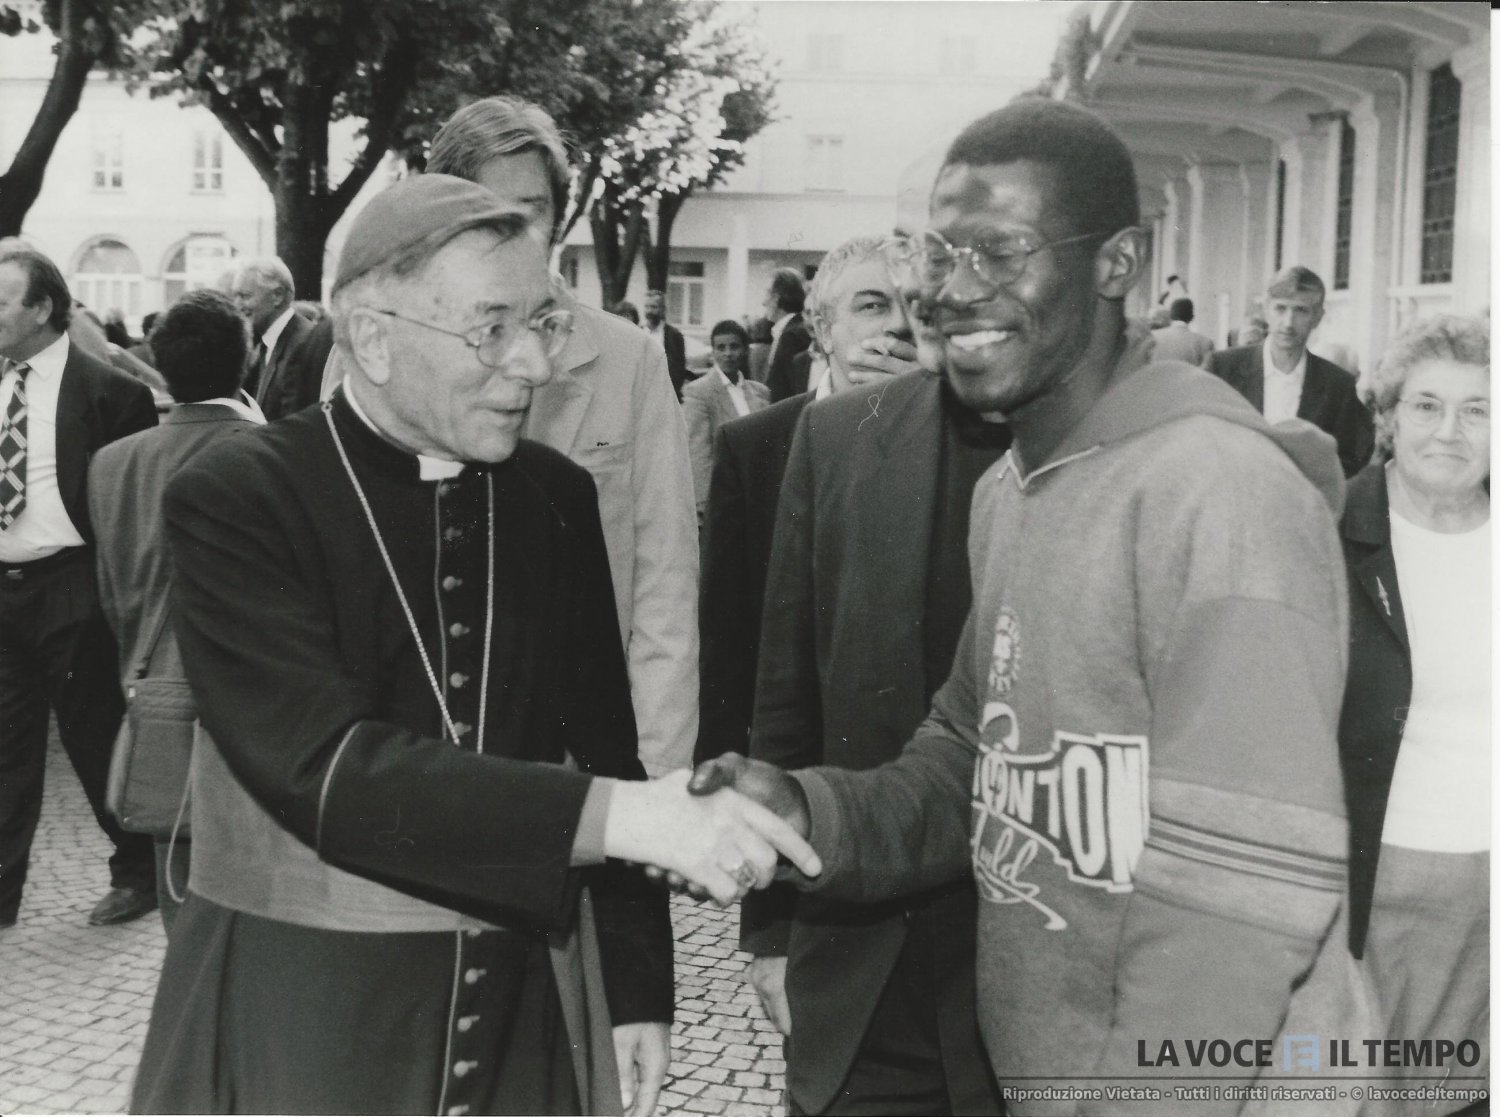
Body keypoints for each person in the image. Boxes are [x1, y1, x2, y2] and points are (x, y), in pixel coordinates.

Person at [692, 98, 1366, 1113]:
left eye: (1002, 252)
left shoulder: (1220, 492)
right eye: (939, 254)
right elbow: (969, 755)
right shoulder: (1014, 490)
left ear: (1118, 264)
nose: (954, 290)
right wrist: (811, 808)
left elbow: (1244, 898)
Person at [129, 174, 819, 1115]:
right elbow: (319, 763)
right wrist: (622, 818)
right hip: (306, 1007)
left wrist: (636, 986)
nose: (533, 364)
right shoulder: (238, 496)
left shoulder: (552, 496)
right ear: (374, 338)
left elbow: (604, 742)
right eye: (492, 329)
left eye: (542, 324)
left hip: (512, 1001)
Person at [738, 228, 1006, 1115]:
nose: (911, 319)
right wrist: (769, 930)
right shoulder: (835, 437)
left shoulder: (1078, 444)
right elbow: (785, 697)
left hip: (1016, 958)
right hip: (861, 943)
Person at [425, 96, 699, 777]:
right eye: (483, 209)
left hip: (581, 762)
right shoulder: (385, 360)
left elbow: (665, 589)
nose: (509, 231)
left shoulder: (629, 361)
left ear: (560, 217)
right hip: (421, 755)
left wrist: (653, 779)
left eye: (532, 209)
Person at [1337, 315, 1489, 1114]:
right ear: (1388, 417)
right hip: (1377, 886)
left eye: (1477, 409)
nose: (1450, 431)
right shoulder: (1330, 530)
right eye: (1427, 405)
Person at [696, 232, 922, 766]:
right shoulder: (754, 447)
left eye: (914, 306)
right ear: (822, 329)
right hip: (796, 756)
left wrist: (923, 415)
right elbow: (726, 639)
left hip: (920, 758)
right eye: (872, 306)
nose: (898, 325)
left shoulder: (962, 441)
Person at [88, 289, 265, 931]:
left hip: (153, 695)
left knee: (180, 898)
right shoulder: (271, 452)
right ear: (248, 358)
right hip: (256, 709)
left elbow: (112, 590)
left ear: (160, 366)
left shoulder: (112, 463)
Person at [0, 242, 159, 928]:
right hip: (2, 585)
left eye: (2, 300)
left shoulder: (111, 394)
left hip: (72, 582)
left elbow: (133, 508)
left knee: (93, 736)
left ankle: (139, 870)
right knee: (6, 743)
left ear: (41, 308)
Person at [1209, 266, 1373, 476]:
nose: (1288, 323)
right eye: (1280, 308)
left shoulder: (1338, 386)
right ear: (1266, 310)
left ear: (1318, 317)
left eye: (1301, 310)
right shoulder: (1222, 369)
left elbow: (1350, 459)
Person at [683, 320, 769, 516]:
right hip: (723, 498)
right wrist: (705, 505)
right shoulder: (699, 392)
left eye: (734, 346)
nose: (728, 353)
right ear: (713, 352)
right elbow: (698, 452)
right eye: (721, 348)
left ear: (745, 350)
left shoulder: (761, 392)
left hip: (758, 494)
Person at [232, 257, 334, 421]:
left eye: (245, 296)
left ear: (277, 295)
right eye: (235, 296)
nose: (237, 305)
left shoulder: (304, 343)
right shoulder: (262, 343)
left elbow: (294, 423)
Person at [763, 268, 814, 403]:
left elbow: (794, 393)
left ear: (776, 298)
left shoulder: (792, 337)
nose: (763, 302)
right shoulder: (792, 331)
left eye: (767, 294)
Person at [642, 290, 688, 400]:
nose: (649, 311)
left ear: (663, 310)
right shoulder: (637, 332)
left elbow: (679, 369)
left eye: (654, 307)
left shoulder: (674, 336)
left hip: (665, 395)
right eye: (647, 307)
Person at [1151, 296, 1214, 367]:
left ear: (1170, 316)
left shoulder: (1152, 338)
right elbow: (1207, 370)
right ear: (1192, 317)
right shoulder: (1205, 343)